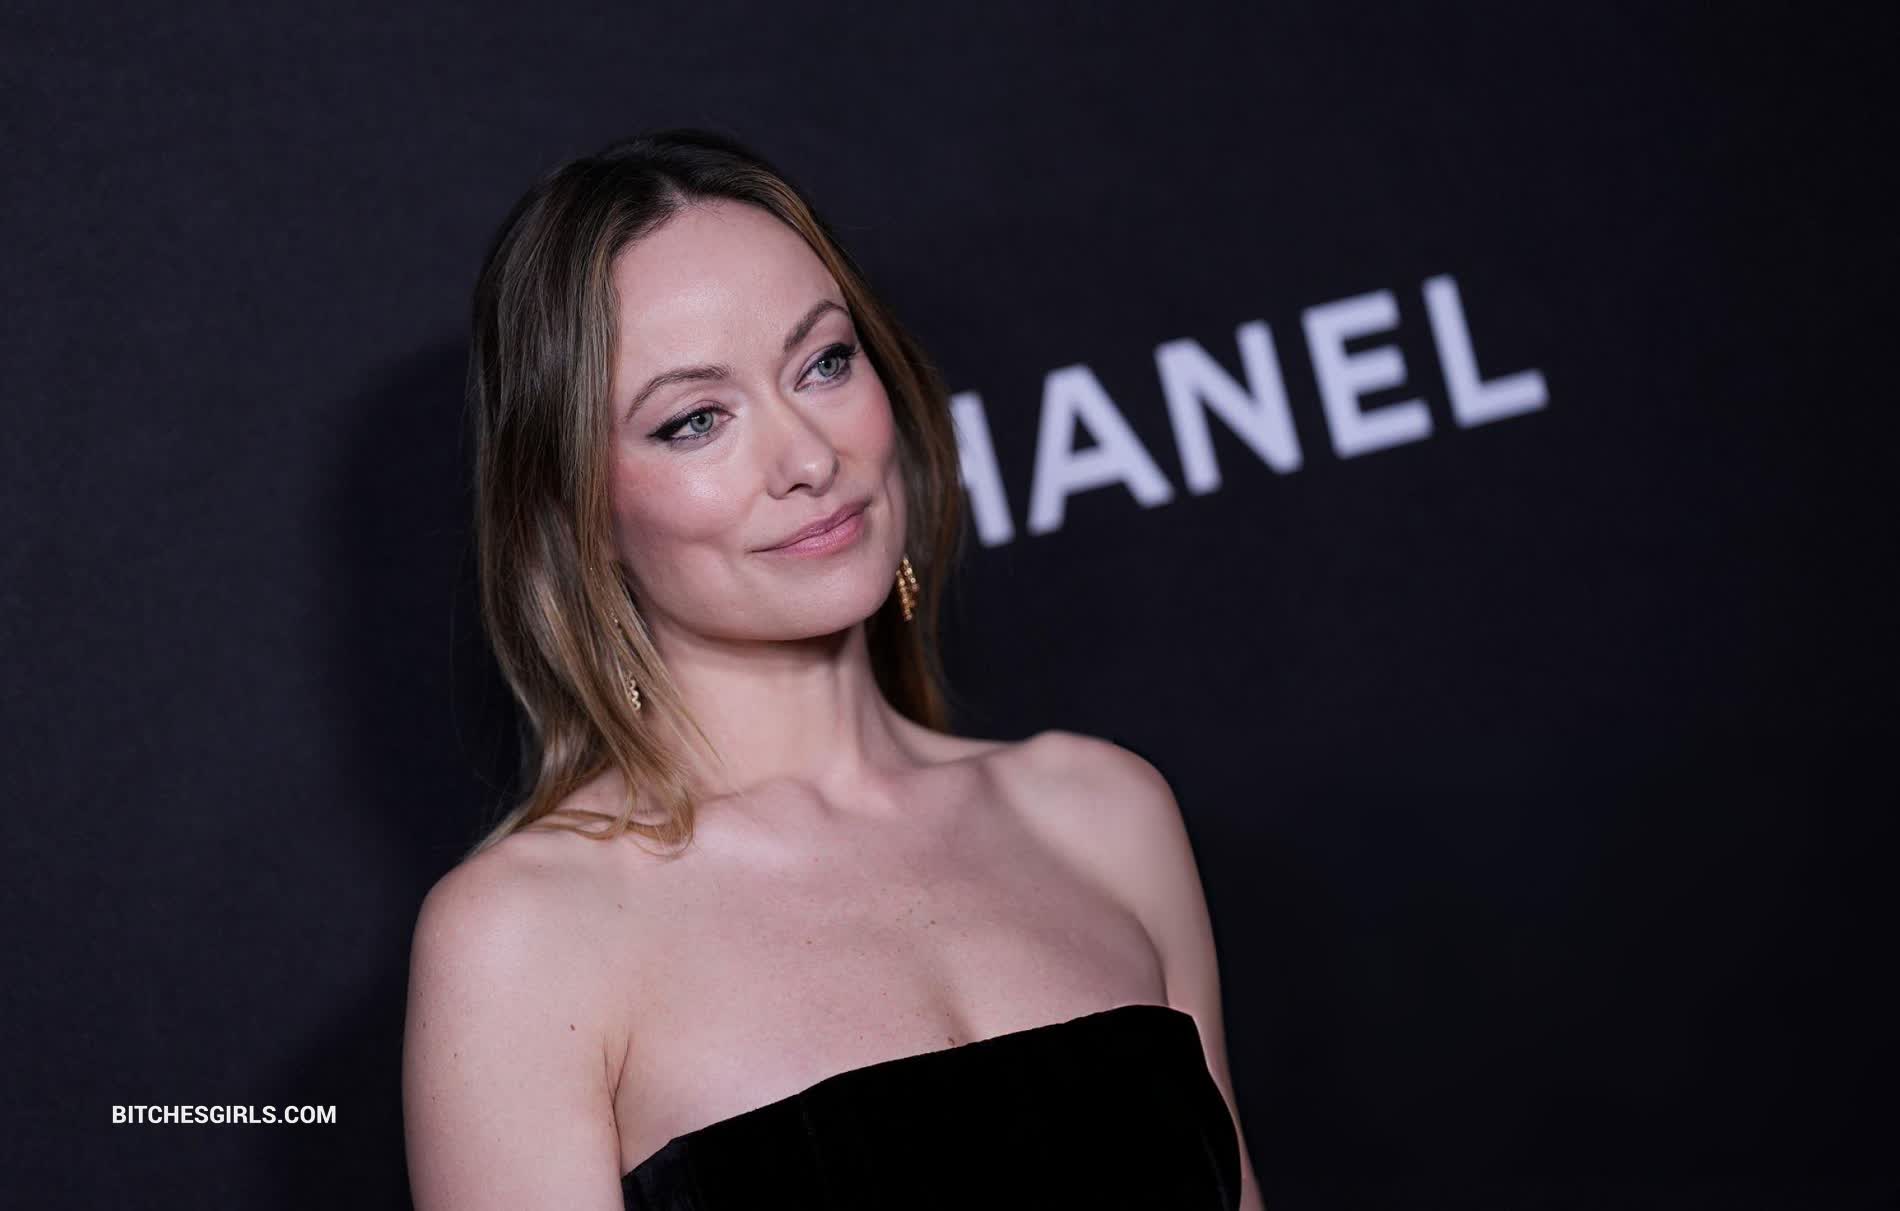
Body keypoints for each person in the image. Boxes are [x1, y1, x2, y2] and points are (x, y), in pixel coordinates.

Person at [401, 128, 1265, 1210]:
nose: (810, 457)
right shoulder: (524, 938)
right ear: (576, 516)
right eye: (695, 420)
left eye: (823, 362)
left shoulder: (1103, 815)